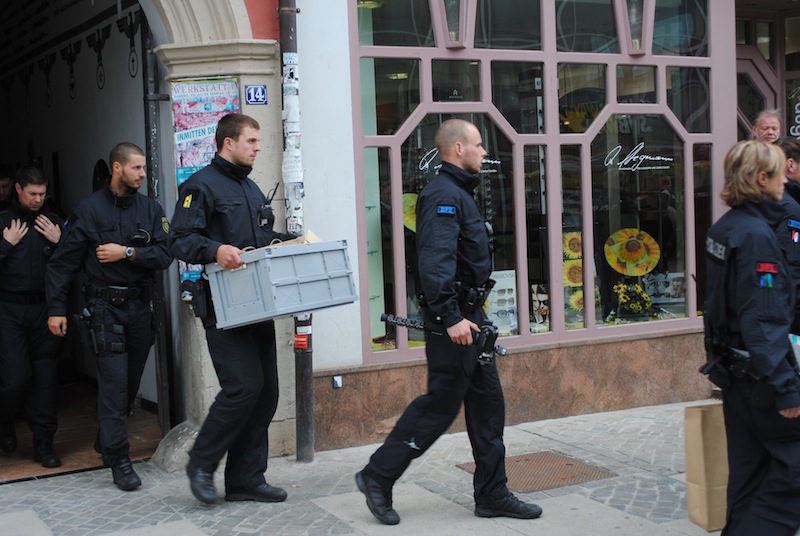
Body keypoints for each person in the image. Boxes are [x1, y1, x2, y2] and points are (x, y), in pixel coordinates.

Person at [355, 119, 542, 525]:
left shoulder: (459, 193)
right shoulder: (442, 195)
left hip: (471, 318)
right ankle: (377, 475)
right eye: (478, 145)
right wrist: (451, 316)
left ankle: (492, 493)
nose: (484, 152)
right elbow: (434, 263)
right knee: (439, 406)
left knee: (488, 407)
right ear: (458, 149)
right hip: (453, 322)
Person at [169, 113, 296, 505]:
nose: (258, 147)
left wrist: (289, 242)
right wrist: (215, 250)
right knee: (243, 388)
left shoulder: (253, 189)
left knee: (266, 393)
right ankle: (201, 463)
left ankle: (245, 480)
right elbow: (179, 240)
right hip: (222, 308)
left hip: (257, 304)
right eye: (252, 141)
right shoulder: (200, 187)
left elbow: (257, 239)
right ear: (229, 143)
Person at [45, 143, 172, 491]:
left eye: (144, 168)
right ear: (117, 168)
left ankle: (106, 439)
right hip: (104, 309)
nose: (143, 174)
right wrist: (56, 309)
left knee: (129, 384)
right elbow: (62, 264)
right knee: (115, 386)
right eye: (137, 168)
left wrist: (127, 253)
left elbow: (165, 253)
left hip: (139, 309)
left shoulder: (150, 208)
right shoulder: (88, 210)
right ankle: (119, 458)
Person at [702, 140, 800, 535]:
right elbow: (762, 319)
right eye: (779, 173)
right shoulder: (756, 236)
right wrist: (787, 390)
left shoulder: (725, 228)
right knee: (791, 476)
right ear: (762, 179)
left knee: (751, 472)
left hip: (737, 374)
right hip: (762, 379)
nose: (784, 180)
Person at [0, 165, 64, 467]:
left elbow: (74, 265)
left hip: (45, 311)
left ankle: (43, 444)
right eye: (32, 194)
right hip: (8, 311)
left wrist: (60, 241)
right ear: (18, 190)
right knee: (14, 381)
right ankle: (5, 422)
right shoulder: (3, 223)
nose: (38, 199)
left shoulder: (52, 223)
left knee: (46, 382)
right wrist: (5, 244)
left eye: (42, 194)